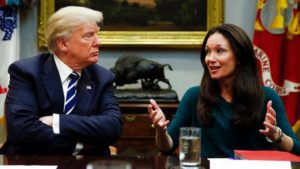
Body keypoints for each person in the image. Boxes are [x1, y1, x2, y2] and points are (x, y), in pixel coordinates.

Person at [148, 23, 300, 158]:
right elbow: (167, 147)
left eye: (219, 51)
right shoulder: (194, 96)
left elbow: (297, 150)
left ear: (239, 56)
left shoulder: (267, 96)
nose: (210, 58)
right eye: (207, 52)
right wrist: (161, 131)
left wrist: (277, 136)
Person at [0, 6, 122, 155]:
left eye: (97, 35)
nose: (98, 42)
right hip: (32, 163)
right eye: (89, 35)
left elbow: (113, 127)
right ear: (63, 44)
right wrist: (81, 144)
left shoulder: (102, 77)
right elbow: (22, 131)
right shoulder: (26, 72)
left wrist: (56, 121)